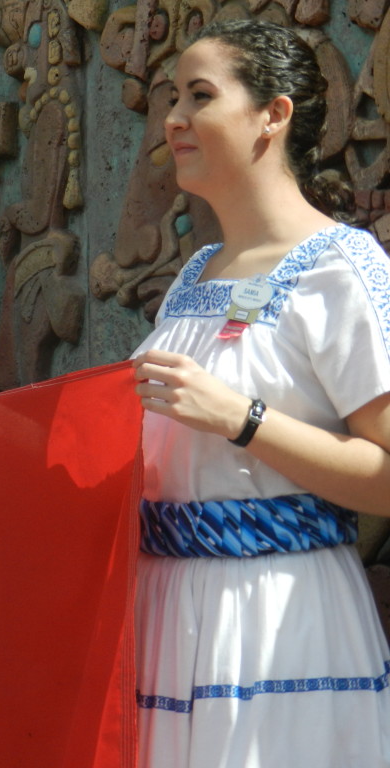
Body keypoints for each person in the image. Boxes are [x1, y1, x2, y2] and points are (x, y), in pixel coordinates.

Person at [129, 19, 390, 767]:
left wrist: (243, 419)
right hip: (165, 615)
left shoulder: (341, 267)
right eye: (173, 97)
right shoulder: (196, 272)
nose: (174, 118)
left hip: (276, 618)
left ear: (272, 116)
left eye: (200, 96)